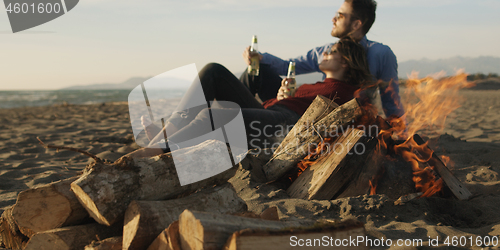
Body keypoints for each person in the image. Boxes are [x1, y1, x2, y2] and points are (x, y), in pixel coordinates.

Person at [124, 37, 372, 159]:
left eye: (333, 51)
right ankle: (166, 132)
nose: (326, 52)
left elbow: (342, 121)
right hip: (274, 112)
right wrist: (281, 96)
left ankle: (153, 151)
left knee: (213, 116)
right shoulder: (318, 83)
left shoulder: (350, 92)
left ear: (346, 61)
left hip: (289, 127)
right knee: (213, 71)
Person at [241, 0, 404, 119]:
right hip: (310, 104)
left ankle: (244, 121)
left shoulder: (379, 53)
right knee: (256, 73)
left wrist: (400, 139)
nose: (333, 20)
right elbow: (288, 67)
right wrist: (259, 58)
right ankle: (241, 115)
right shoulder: (326, 51)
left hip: (339, 120)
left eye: (339, 16)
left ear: (356, 24)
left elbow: (391, 100)